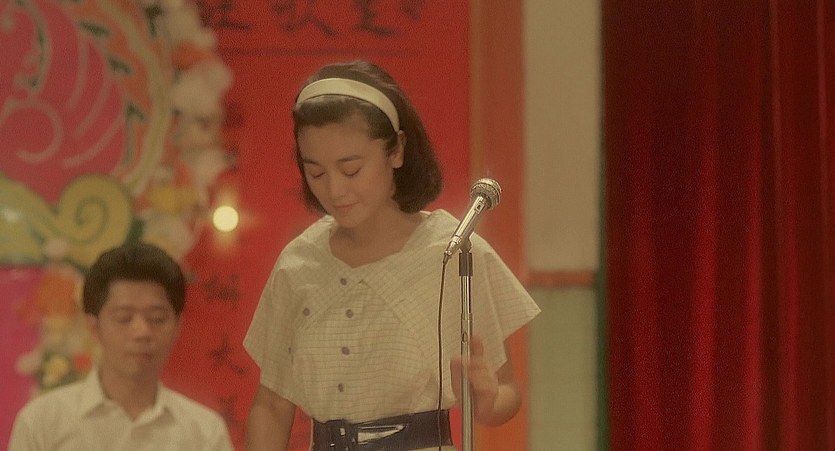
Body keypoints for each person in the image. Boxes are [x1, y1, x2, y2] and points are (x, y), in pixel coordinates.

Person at [244, 60, 540, 451]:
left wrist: (486, 400)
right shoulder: (299, 263)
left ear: (397, 150)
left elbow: (507, 393)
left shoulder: (452, 251)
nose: (335, 190)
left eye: (351, 170)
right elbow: (271, 404)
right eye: (315, 172)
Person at [8, 242, 234, 451]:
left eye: (156, 319)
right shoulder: (42, 423)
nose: (142, 332)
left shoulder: (205, 433)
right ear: (94, 327)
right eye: (124, 318)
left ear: (177, 326)